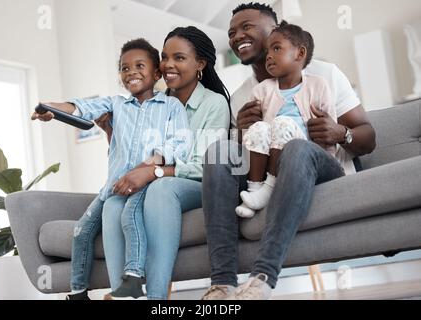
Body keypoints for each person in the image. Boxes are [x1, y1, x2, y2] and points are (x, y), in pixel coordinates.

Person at [202, 2, 376, 300]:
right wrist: (238, 134)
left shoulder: (324, 75)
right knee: (219, 151)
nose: (237, 36)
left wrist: (340, 132)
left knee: (296, 147)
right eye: (232, 32)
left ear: (276, 30)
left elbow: (368, 137)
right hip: (267, 172)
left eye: (247, 27)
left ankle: (262, 278)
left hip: (321, 167)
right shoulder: (243, 95)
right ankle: (222, 284)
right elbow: (244, 157)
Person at [32, 38, 192, 300]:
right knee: (81, 231)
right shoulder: (116, 105)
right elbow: (82, 107)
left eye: (139, 65)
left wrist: (150, 165)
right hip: (113, 188)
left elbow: (180, 144)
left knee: (130, 218)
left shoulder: (171, 107)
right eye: (124, 68)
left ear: (156, 73)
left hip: (145, 184)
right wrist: (51, 109)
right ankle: (78, 291)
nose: (131, 72)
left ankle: (132, 278)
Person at [102, 26, 231, 300]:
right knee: (113, 203)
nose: (168, 64)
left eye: (179, 58)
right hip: (156, 182)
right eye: (164, 56)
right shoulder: (155, 104)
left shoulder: (214, 104)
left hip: (197, 186)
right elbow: (136, 161)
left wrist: (154, 172)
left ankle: (156, 298)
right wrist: (111, 134)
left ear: (200, 64)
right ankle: (123, 295)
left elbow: (206, 167)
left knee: (163, 188)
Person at [236, 21, 338, 219]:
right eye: (267, 51)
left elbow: (329, 128)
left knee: (282, 123)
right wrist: (248, 130)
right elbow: (254, 135)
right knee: (260, 127)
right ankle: (254, 190)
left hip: (305, 151)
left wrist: (327, 151)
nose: (269, 56)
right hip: (271, 152)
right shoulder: (261, 89)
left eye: (276, 48)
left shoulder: (319, 85)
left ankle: (268, 190)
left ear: (300, 54)